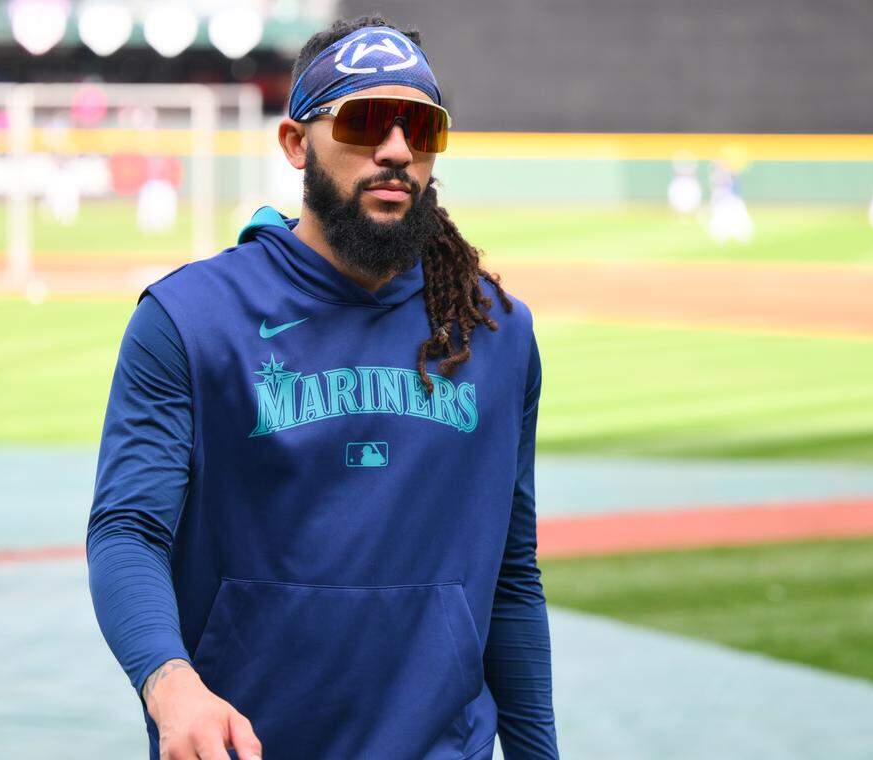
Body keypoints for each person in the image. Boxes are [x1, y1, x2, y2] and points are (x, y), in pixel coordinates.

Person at [87, 14, 560, 760]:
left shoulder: (496, 332)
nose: (396, 149)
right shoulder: (189, 319)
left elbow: (510, 576)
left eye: (421, 127)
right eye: (367, 120)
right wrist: (169, 684)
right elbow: (127, 532)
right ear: (295, 142)